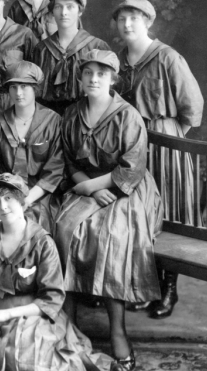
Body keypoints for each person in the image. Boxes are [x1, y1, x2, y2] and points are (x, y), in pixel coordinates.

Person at [54, 50, 163, 370]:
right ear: (81, 77)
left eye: (102, 74)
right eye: (88, 73)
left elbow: (133, 165)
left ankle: (118, 331)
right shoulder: (73, 113)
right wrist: (84, 185)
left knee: (112, 237)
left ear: (113, 79)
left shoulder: (127, 115)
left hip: (127, 189)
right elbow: (70, 160)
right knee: (65, 229)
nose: (94, 79)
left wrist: (99, 188)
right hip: (85, 183)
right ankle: (67, 324)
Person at [0, 173, 112, 371]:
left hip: (34, 316)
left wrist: (6, 315)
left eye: (8, 198)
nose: (3, 206)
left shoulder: (42, 242)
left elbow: (51, 298)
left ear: (22, 201)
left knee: (29, 355)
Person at [114, 0, 204, 319]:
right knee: (139, 214)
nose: (127, 25)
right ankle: (145, 285)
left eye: (134, 19)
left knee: (169, 214)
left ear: (148, 22)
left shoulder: (167, 57)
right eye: (122, 19)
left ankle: (168, 290)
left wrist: (168, 135)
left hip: (166, 146)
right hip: (131, 145)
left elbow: (192, 108)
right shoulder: (120, 61)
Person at [0, 61, 63, 232]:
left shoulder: (53, 121)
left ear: (35, 89)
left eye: (24, 86)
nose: (18, 93)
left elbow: (55, 169)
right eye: (13, 87)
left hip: (40, 194)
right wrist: (7, 197)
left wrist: (28, 199)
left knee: (38, 227)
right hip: (2, 195)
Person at [33, 0, 111, 115]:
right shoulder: (41, 50)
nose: (63, 13)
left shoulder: (97, 47)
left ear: (80, 11)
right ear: (52, 11)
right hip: (48, 120)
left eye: (70, 7)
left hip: (85, 116)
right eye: (58, 7)